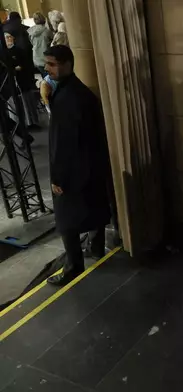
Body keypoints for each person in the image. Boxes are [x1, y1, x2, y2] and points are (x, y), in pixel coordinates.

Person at [44, 45, 111, 286]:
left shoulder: (66, 98)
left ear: (67, 63)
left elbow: (62, 143)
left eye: (52, 64)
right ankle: (95, 247)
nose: (47, 68)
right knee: (94, 207)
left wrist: (57, 178)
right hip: (90, 165)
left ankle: (73, 266)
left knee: (66, 220)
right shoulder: (80, 92)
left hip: (72, 170)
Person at [4, 31, 40, 132]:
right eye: (7, 38)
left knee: (27, 102)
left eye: (10, 37)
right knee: (14, 105)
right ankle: (19, 126)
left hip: (23, 80)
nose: (9, 39)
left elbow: (26, 63)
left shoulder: (19, 50)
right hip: (10, 83)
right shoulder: (4, 53)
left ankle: (31, 122)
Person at [28, 12, 53, 76]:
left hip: (36, 57)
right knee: (50, 78)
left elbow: (31, 43)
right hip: (45, 57)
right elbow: (53, 41)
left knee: (44, 76)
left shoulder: (30, 31)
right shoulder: (47, 31)